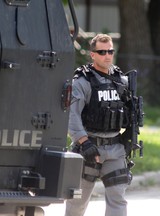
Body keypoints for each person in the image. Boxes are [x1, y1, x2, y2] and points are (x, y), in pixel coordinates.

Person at [65, 34, 132, 216]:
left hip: (115, 149)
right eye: (102, 52)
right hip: (88, 149)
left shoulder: (122, 81)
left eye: (110, 50)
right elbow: (72, 115)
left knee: (118, 199)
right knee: (77, 202)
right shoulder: (82, 82)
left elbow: (130, 114)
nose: (107, 55)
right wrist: (83, 142)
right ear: (92, 54)